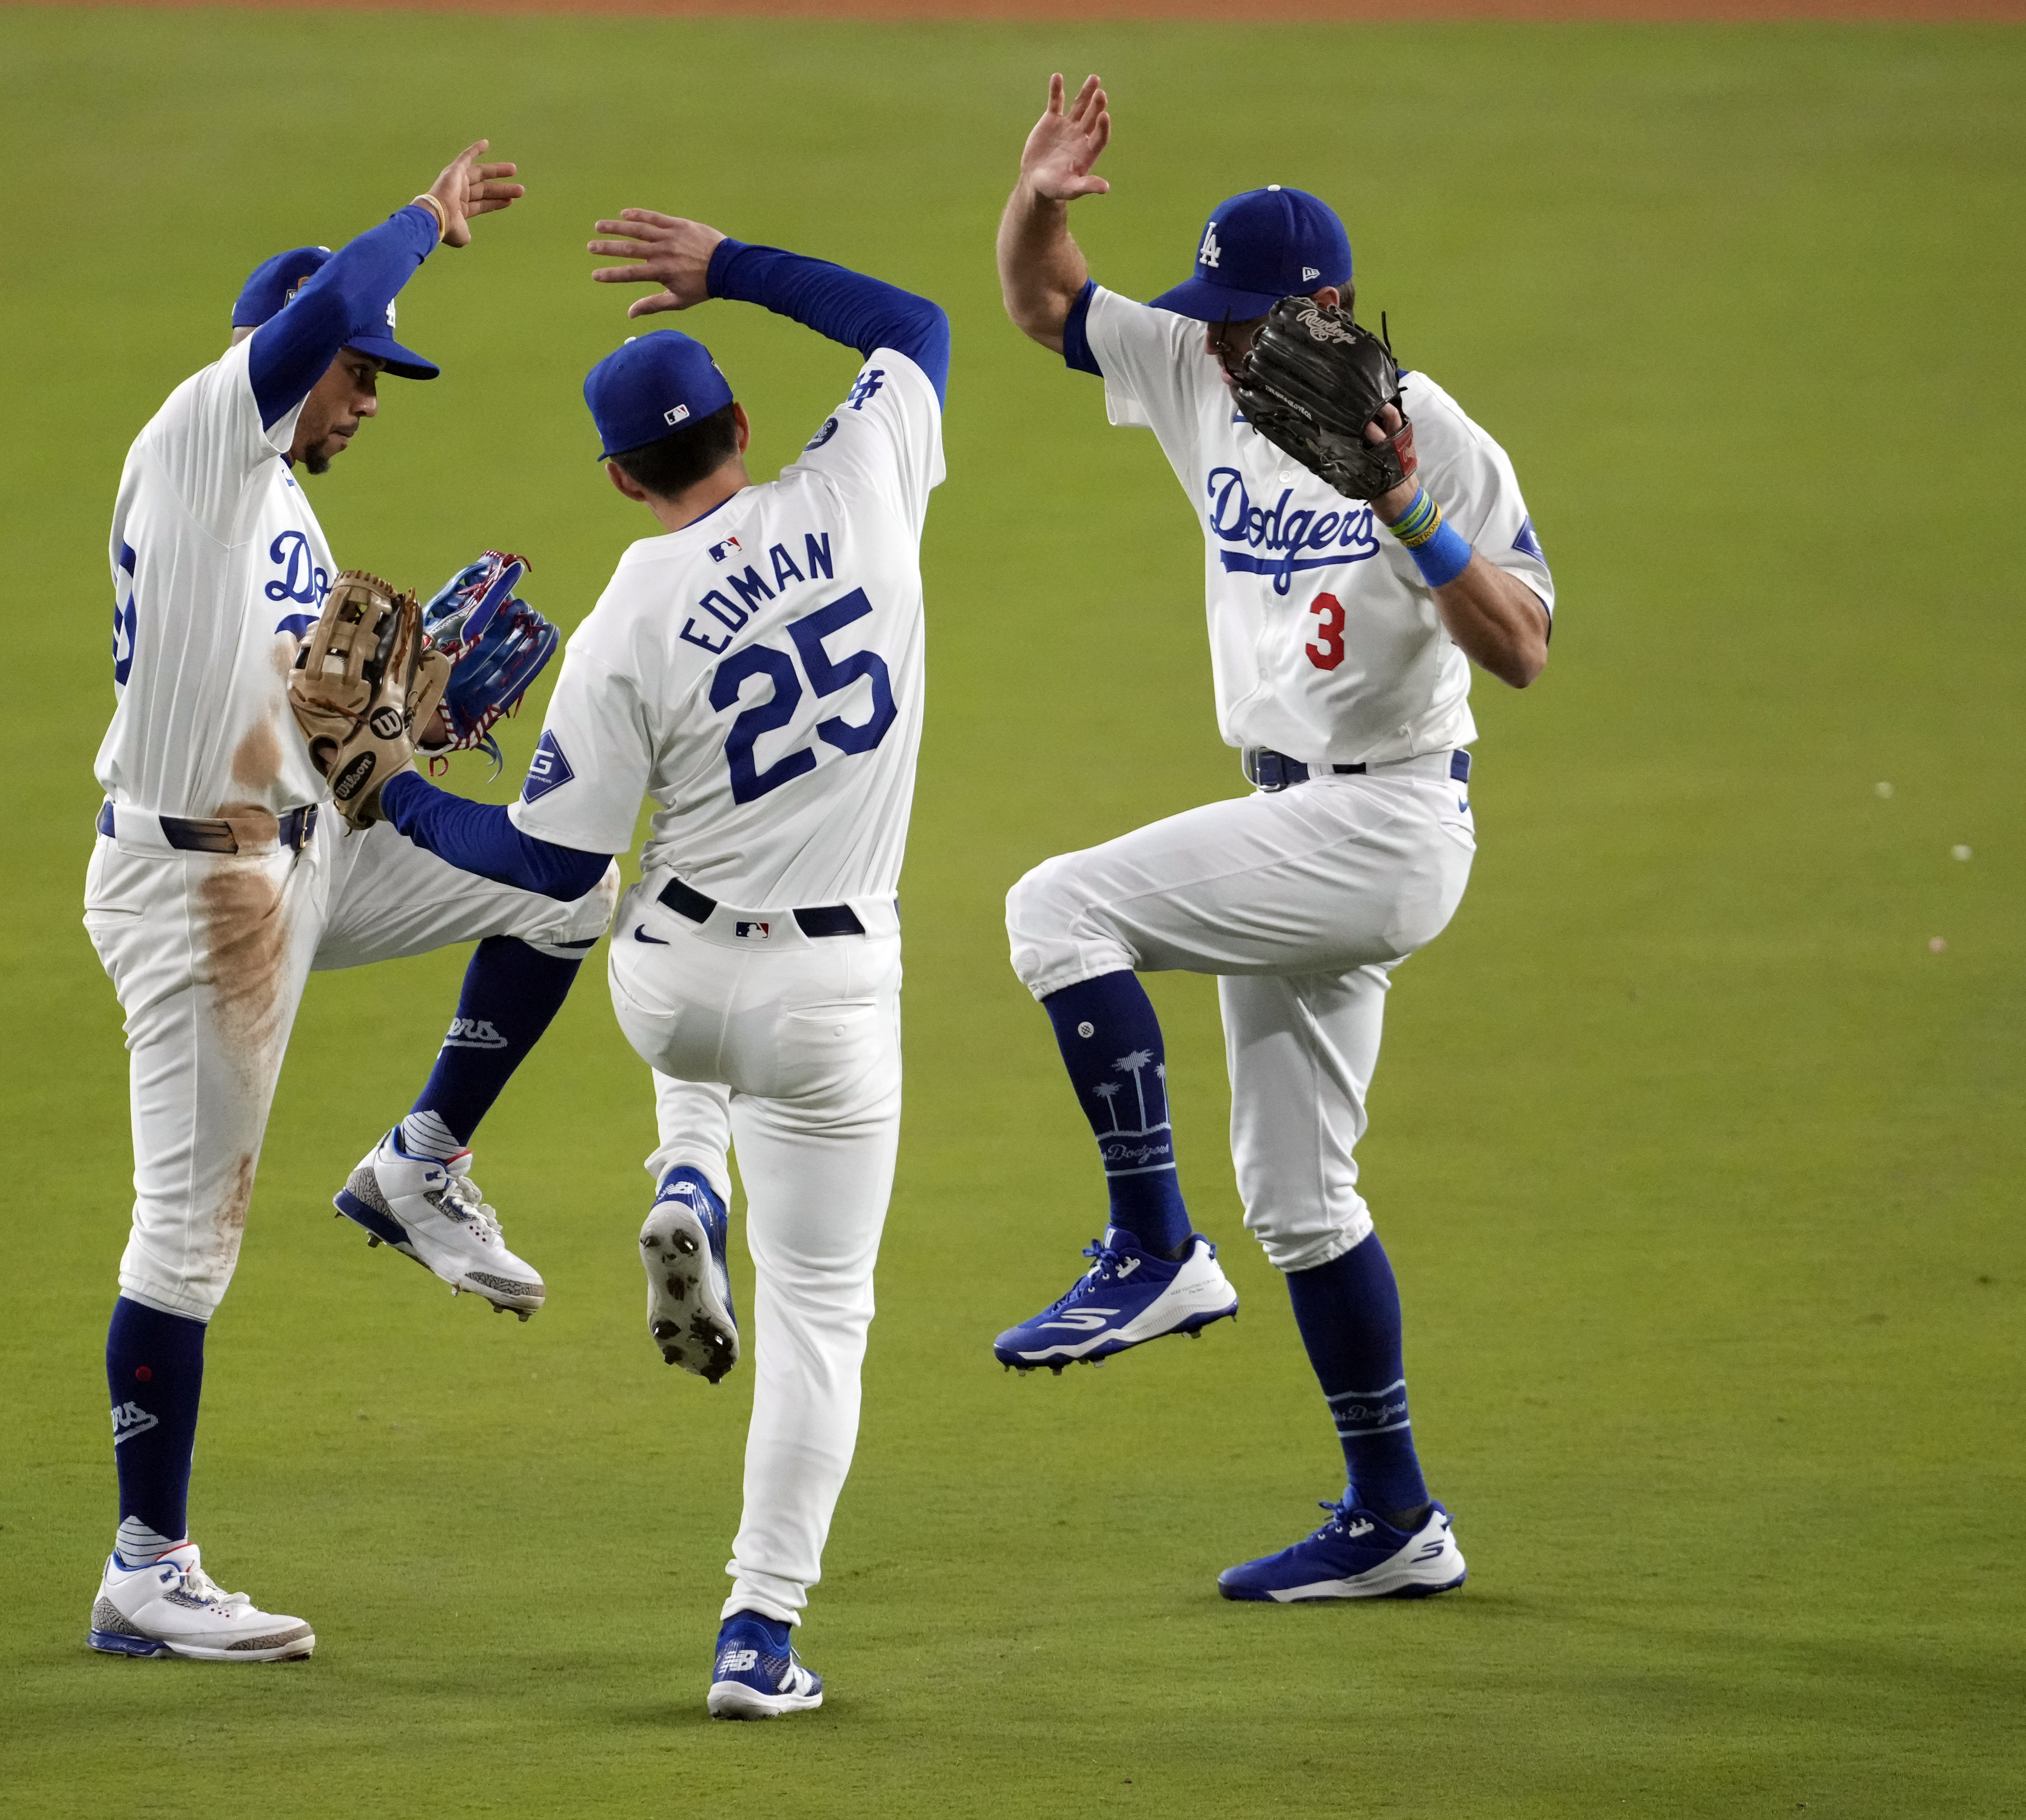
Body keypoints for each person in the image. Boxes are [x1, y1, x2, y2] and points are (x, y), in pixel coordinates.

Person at [370, 207, 947, 1715]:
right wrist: (736, 265)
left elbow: (544, 868)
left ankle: (687, 1170)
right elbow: (917, 325)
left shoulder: (628, 610)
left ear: (622, 480)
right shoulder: (866, 484)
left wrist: (393, 787)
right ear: (747, 426)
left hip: (673, 989)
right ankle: (758, 1633)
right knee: (822, 1318)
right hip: (837, 1006)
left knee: (619, 890)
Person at [990, 75, 1554, 1602]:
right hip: (1288, 811)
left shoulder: (1439, 436)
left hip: (1388, 816)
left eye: (1254, 318)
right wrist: (1038, 196)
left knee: (1058, 909)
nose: (1228, 341)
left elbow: (1521, 650)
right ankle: (1398, 1517)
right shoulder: (1201, 371)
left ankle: (1149, 1245)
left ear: (1335, 308)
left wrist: (1407, 502)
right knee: (1306, 1201)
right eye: (1217, 316)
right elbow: (1051, 309)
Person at [82, 142, 619, 1663]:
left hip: (302, 848)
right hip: (195, 895)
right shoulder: (199, 439)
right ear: (291, 359)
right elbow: (341, 305)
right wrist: (429, 224)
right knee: (185, 1242)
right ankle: (146, 1563)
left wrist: (414, 726)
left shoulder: (282, 511)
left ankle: (421, 1165)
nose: (369, 398)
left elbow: (315, 723)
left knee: (569, 886)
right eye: (357, 374)